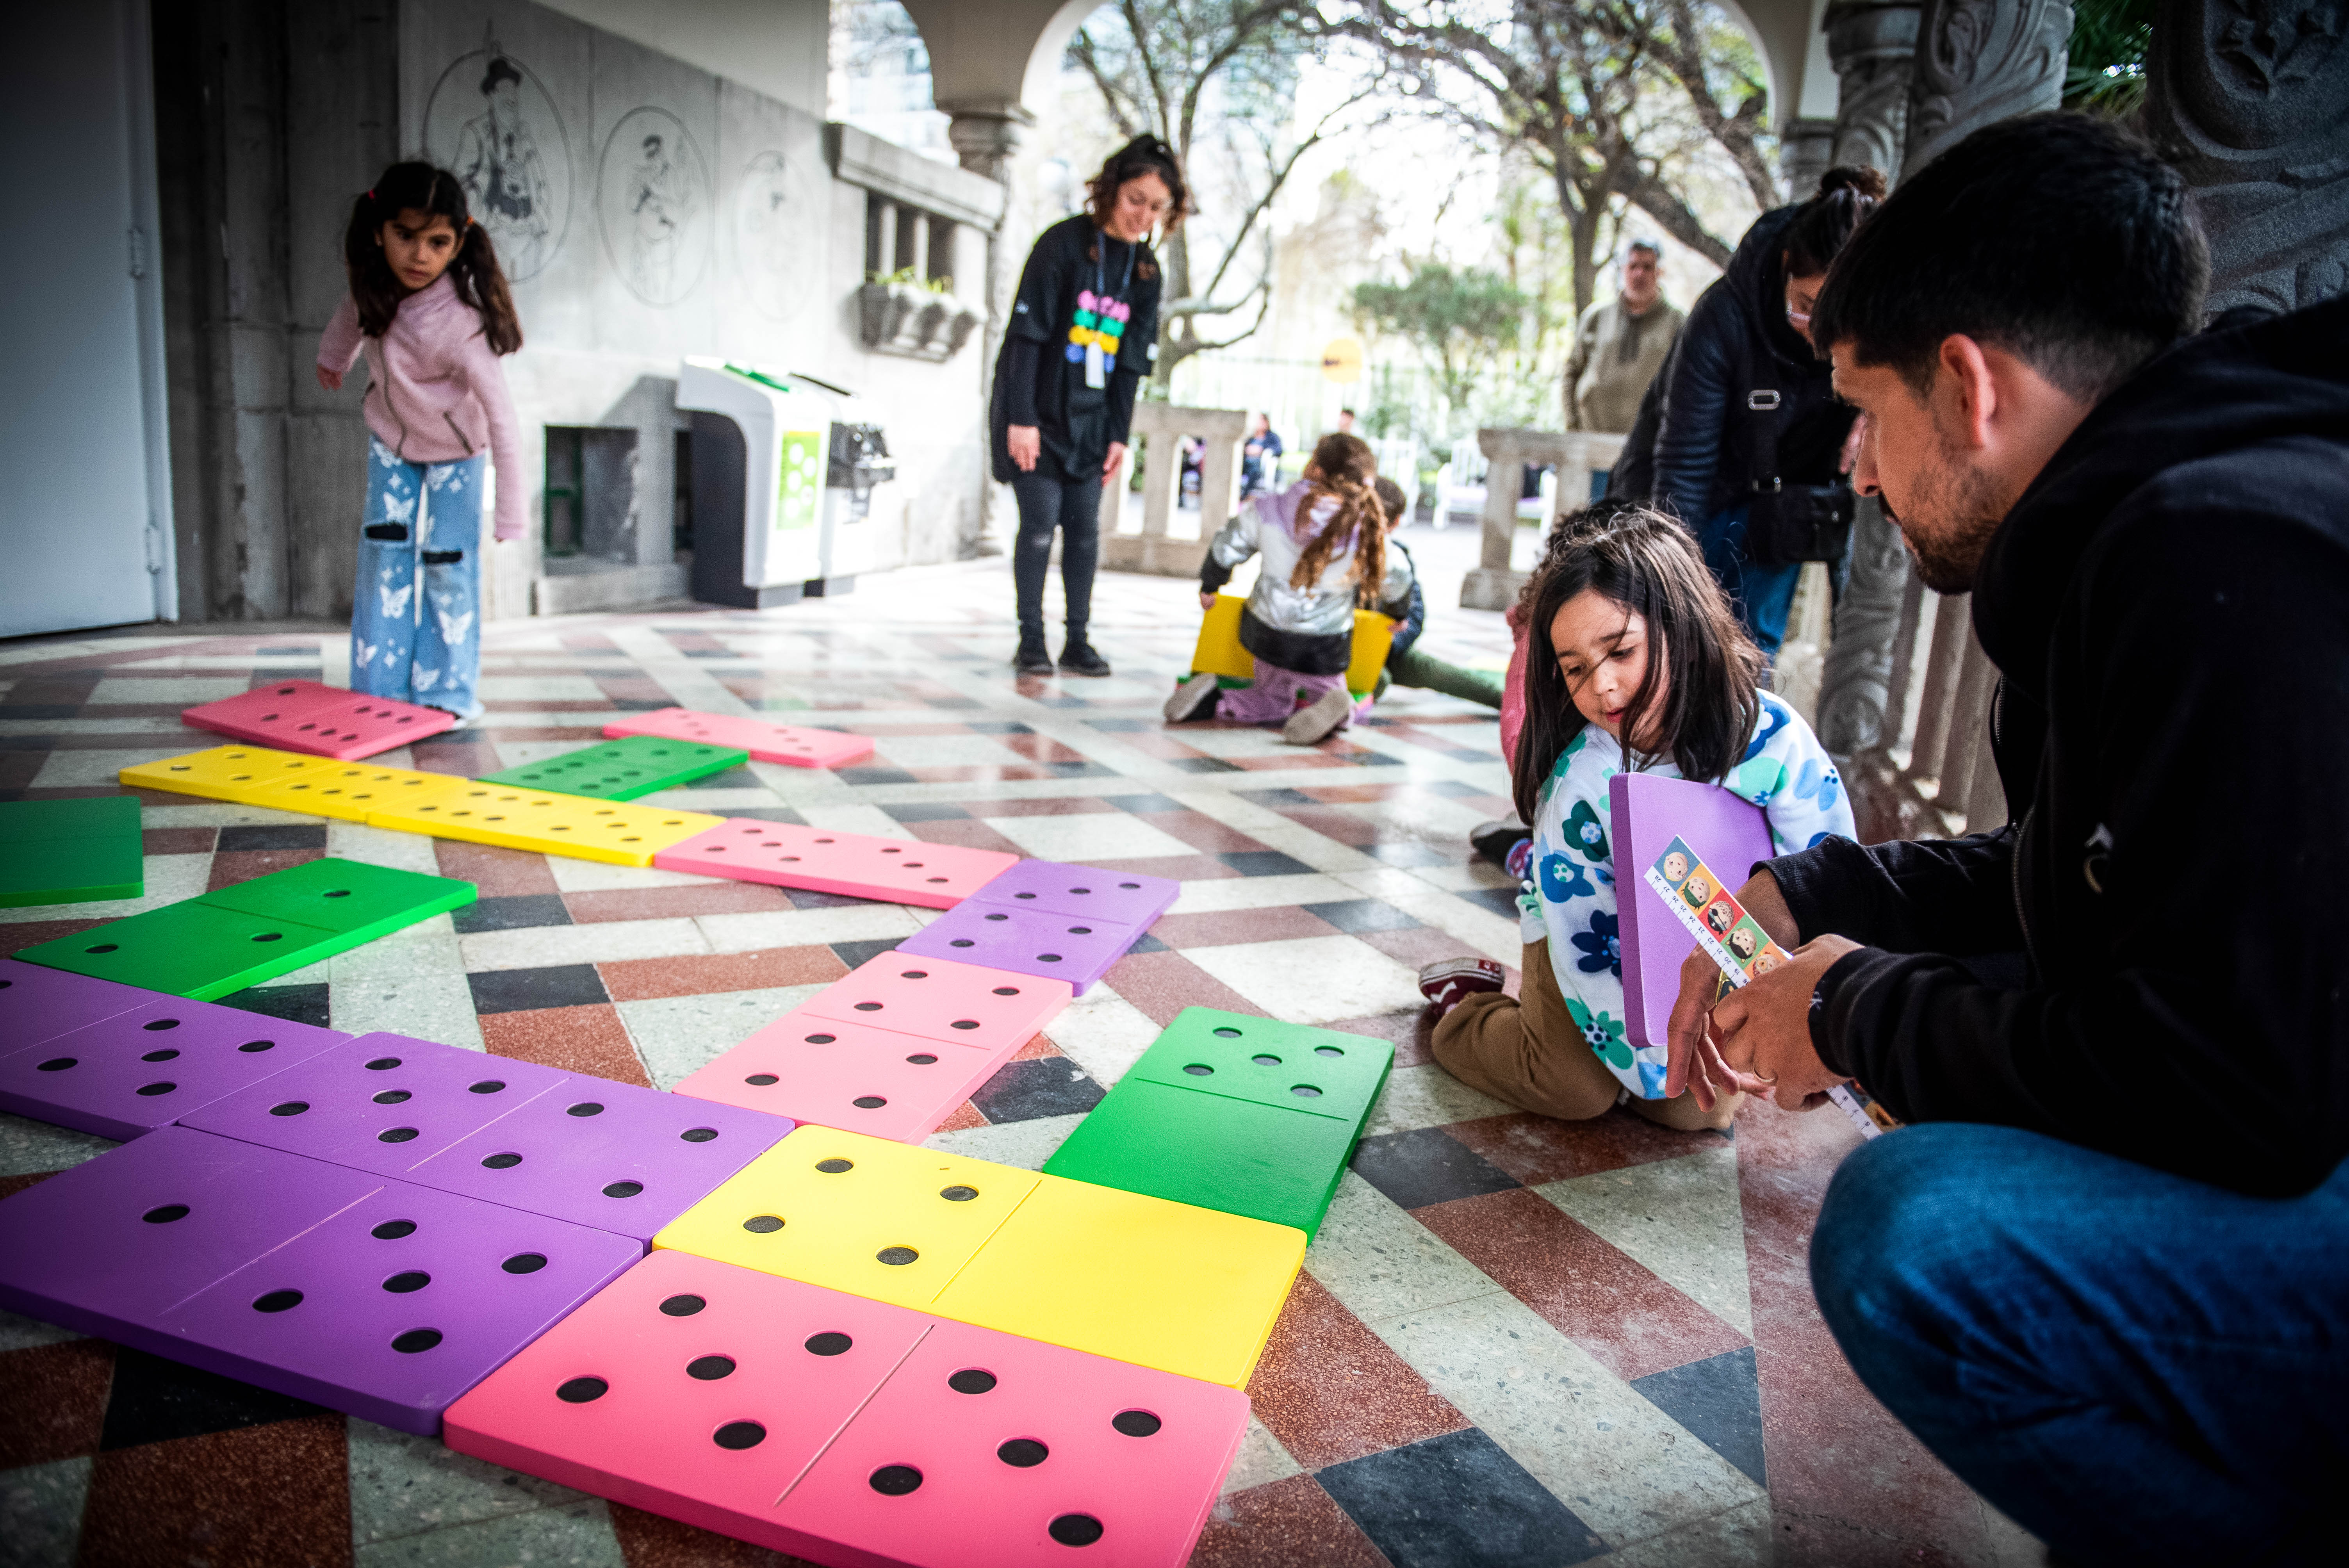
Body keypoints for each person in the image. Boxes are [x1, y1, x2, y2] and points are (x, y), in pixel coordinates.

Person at [1661, 113, 2349, 1565]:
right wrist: (1813, 893)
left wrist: (1848, 1010)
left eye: (1860, 412)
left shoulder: (2217, 552)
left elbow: (2226, 1088)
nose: (1847, 467)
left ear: (1964, 385)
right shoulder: (2167, 514)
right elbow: (2081, 877)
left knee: (1917, 1236)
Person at [1416, 506, 1853, 1129]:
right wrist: (1645, 1056)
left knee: (1697, 1115)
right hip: (1586, 941)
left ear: (1682, 626)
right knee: (1574, 1090)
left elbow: (1827, 867)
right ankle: (1468, 1008)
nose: (1604, 688)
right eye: (1575, 669)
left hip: (1710, 954)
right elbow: (1585, 942)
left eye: (1621, 650)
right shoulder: (1579, 784)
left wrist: (1779, 1011)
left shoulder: (1773, 737)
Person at [316, 162, 524, 726]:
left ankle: (446, 692)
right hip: (392, 439)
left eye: (438, 242)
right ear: (379, 229)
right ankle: (378, 688)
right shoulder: (371, 291)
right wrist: (333, 361)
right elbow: (346, 321)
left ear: (460, 242)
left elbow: (504, 421)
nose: (419, 256)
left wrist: (510, 511)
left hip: (459, 452)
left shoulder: (463, 325)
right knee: (383, 556)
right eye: (405, 236)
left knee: (447, 564)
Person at [1649, 167, 1883, 656]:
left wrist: (1873, 410)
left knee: (1754, 648)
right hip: (1707, 499)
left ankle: (1746, 733)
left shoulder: (1869, 323)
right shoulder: (1722, 317)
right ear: (1784, 266)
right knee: (1679, 638)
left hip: (1787, 510)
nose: (1817, 332)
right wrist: (1672, 580)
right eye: (1805, 305)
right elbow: (1684, 468)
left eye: (1833, 316)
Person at [991, 135, 1182, 678]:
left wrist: (1118, 434)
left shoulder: (1145, 272)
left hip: (1094, 424)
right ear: (1112, 191)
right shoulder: (1062, 246)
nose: (1143, 215)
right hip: (1040, 415)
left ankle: (1079, 640)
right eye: (1135, 200)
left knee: (1084, 530)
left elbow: (1130, 366)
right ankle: (1032, 639)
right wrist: (1020, 420)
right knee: (1038, 524)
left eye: (1156, 207)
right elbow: (1026, 339)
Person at [1164, 433, 1409, 745]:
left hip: (1266, 630)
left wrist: (1211, 585)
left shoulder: (1271, 507)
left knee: (1270, 695)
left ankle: (1219, 700)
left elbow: (1229, 544)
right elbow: (1396, 575)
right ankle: (1336, 708)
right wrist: (1398, 612)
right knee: (1331, 692)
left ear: (1316, 469)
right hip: (1325, 644)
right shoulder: (1367, 525)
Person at [1370, 477, 1504, 710]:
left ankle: (1507, 702)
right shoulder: (1343, 554)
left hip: (1390, 651)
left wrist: (1392, 639)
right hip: (1345, 654)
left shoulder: (1399, 559)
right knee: (1380, 680)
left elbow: (1415, 616)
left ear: (1394, 524)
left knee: (1438, 672)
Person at [1565, 239, 1684, 437]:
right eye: (1633, 266)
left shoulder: (1678, 323)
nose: (1640, 274)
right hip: (1591, 438)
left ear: (1659, 272)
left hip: (1648, 444)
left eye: (1648, 267)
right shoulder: (1596, 317)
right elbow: (1572, 372)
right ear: (1623, 270)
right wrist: (1572, 425)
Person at [1240, 412, 1282, 497]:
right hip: (1245, 464)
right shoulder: (1250, 437)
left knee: (1254, 472)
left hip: (1259, 466)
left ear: (1266, 423)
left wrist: (1261, 450)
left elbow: (1278, 450)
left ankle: (1244, 497)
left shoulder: (1272, 437)